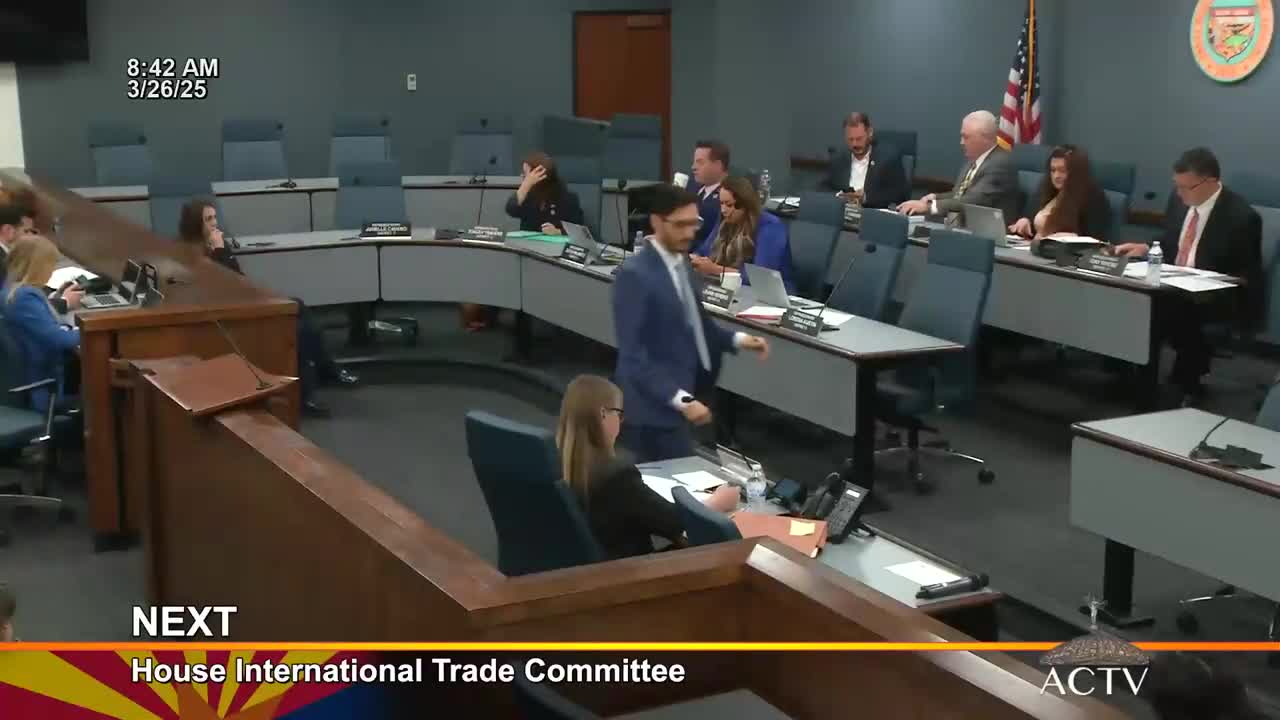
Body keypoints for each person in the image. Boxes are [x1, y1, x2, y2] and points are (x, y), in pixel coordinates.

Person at [611, 184, 770, 462]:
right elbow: (634, 357)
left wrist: (740, 340)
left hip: (681, 400)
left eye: (693, 223)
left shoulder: (682, 264)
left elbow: (697, 325)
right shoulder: (634, 275)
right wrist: (683, 400)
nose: (689, 233)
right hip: (649, 410)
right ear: (657, 221)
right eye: (680, 225)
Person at [177, 199, 359, 417]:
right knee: (298, 330)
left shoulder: (215, 246)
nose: (215, 223)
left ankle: (327, 369)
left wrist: (221, 251)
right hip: (225, 317)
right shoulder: (190, 253)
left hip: (243, 305)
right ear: (195, 225)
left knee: (298, 305)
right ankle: (306, 394)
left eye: (215, 217)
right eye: (208, 219)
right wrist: (219, 252)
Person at [1112, 148, 1262, 400]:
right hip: (1174, 285)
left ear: (1211, 182)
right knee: (1129, 296)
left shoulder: (1242, 217)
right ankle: (1127, 371)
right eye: (1177, 186)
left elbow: (1245, 275)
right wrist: (1146, 248)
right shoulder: (1178, 201)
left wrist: (1199, 280)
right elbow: (1171, 242)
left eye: (1186, 187)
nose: (1179, 193)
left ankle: (1173, 384)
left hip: (1216, 296)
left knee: (1161, 310)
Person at [556, 374, 739, 559]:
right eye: (619, 414)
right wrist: (717, 502)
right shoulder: (617, 476)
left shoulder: (556, 462)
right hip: (629, 571)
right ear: (603, 414)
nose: (621, 421)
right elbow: (674, 522)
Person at [3, 235, 80, 414]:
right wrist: (89, 331)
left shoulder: (12, 291)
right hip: (43, 390)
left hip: (34, 375)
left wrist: (54, 301)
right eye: (50, 265)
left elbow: (40, 326)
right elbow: (59, 340)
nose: (51, 271)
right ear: (38, 266)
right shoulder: (25, 297)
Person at [898, 110, 1018, 222]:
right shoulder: (974, 159)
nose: (961, 142)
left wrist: (929, 207)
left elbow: (973, 201)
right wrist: (935, 197)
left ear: (986, 138)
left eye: (966, 137)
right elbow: (959, 195)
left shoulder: (1000, 164)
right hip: (965, 225)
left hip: (990, 232)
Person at [689, 176, 795, 292]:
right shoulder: (725, 219)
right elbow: (704, 250)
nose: (723, 210)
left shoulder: (770, 226)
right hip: (729, 288)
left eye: (729, 205)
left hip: (771, 293)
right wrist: (695, 259)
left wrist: (715, 269)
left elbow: (760, 277)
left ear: (744, 204)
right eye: (721, 204)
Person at [1008, 145, 1112, 240]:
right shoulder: (1046, 188)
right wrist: (1025, 221)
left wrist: (1069, 238)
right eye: (1053, 170)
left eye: (1062, 170)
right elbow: (1031, 218)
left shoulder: (1093, 197)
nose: (1056, 176)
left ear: (1075, 172)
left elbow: (1093, 240)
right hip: (1032, 248)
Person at [821, 112, 909, 209]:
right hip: (843, 211)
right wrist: (839, 196)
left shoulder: (888, 158)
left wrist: (866, 197)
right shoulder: (838, 158)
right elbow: (823, 188)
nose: (854, 144)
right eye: (850, 139)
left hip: (872, 212)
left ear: (870, 132)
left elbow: (899, 194)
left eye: (859, 139)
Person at [504, 151, 584, 235]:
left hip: (554, 242)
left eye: (525, 174)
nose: (522, 176)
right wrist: (525, 185)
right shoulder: (527, 195)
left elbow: (580, 232)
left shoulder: (568, 198)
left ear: (539, 176)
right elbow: (511, 210)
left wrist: (558, 232)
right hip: (528, 242)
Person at [686, 140, 731, 250]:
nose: (693, 167)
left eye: (700, 162)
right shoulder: (691, 187)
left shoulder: (730, 196)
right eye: (694, 162)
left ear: (718, 165)